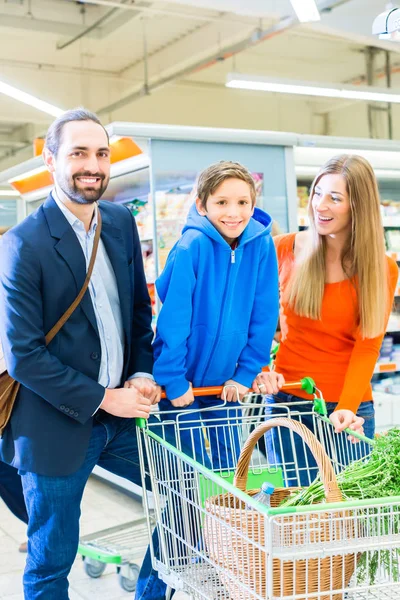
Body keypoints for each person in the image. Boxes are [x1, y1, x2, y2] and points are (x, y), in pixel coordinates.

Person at [0, 108, 161, 600]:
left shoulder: (117, 223)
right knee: (52, 559)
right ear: (50, 160)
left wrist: (138, 372)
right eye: (78, 153)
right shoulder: (21, 246)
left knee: (186, 503)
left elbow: (137, 310)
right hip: (53, 423)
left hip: (120, 419)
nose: (93, 165)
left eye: (101, 153)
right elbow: (24, 356)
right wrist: (103, 399)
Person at [253, 154, 398, 485]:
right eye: (318, 193)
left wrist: (347, 407)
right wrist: (262, 371)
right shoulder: (284, 249)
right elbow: (256, 323)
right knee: (297, 509)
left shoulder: (381, 269)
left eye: (335, 198)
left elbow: (368, 345)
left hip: (348, 413)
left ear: (358, 207)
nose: (321, 205)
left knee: (351, 515)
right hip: (288, 401)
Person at [153, 160, 279, 465]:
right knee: (187, 468)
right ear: (202, 204)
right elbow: (175, 320)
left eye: (242, 202)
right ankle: (187, 514)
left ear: (252, 205)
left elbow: (264, 316)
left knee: (231, 464)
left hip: (226, 382)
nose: (233, 213)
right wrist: (173, 378)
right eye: (221, 202)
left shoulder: (262, 247)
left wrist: (246, 373)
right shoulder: (190, 247)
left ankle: (226, 514)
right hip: (181, 381)